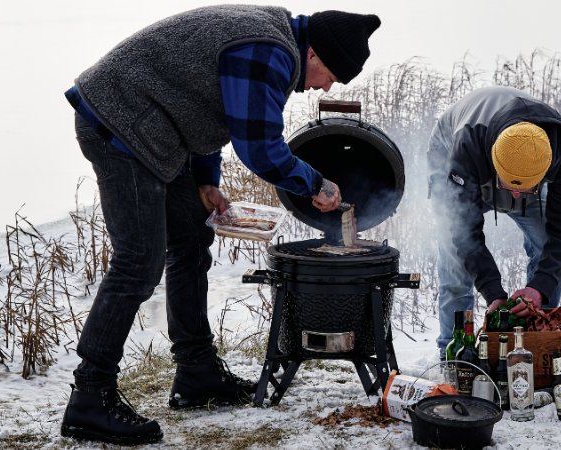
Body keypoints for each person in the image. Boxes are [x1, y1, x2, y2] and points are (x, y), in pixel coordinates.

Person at [60, 6, 380, 445]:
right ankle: (90, 397)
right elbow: (261, 149)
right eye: (331, 76)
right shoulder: (269, 50)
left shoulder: (273, 40)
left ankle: (195, 372)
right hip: (122, 122)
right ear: (317, 54)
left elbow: (208, 109)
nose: (324, 87)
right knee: (138, 263)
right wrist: (314, 183)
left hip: (154, 125)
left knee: (192, 238)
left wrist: (206, 179)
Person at [427, 86, 561, 357]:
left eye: (523, 189)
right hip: (455, 157)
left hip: (516, 166)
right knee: (454, 258)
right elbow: (464, 231)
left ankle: (538, 344)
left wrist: (540, 287)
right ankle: (451, 353)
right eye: (509, 187)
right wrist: (492, 291)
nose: (513, 196)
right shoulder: (467, 147)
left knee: (546, 243)